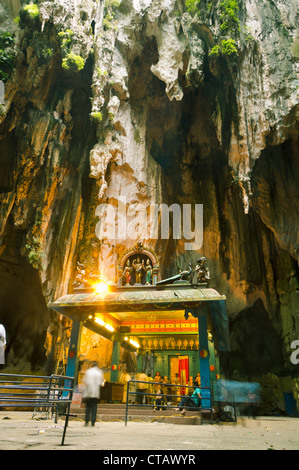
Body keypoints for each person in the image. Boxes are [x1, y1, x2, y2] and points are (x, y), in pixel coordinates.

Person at [83, 361, 104, 426]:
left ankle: (86, 421)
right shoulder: (100, 372)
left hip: (88, 393)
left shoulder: (88, 372)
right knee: (94, 407)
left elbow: (85, 382)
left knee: (88, 408)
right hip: (95, 393)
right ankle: (93, 422)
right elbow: (101, 383)